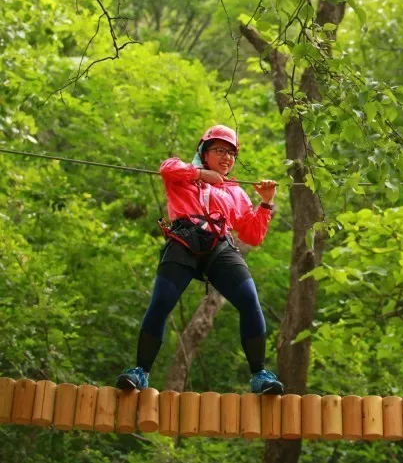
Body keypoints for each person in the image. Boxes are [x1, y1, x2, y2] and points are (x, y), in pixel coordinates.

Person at [116, 125, 285, 394]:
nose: (226, 157)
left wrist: (265, 204)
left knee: (250, 301)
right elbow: (167, 168)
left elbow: (252, 235)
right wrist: (200, 174)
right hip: (184, 239)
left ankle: (259, 375)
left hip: (220, 245)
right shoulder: (183, 173)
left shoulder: (236, 192)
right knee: (161, 302)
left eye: (231, 153)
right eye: (220, 150)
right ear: (204, 152)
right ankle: (140, 371)